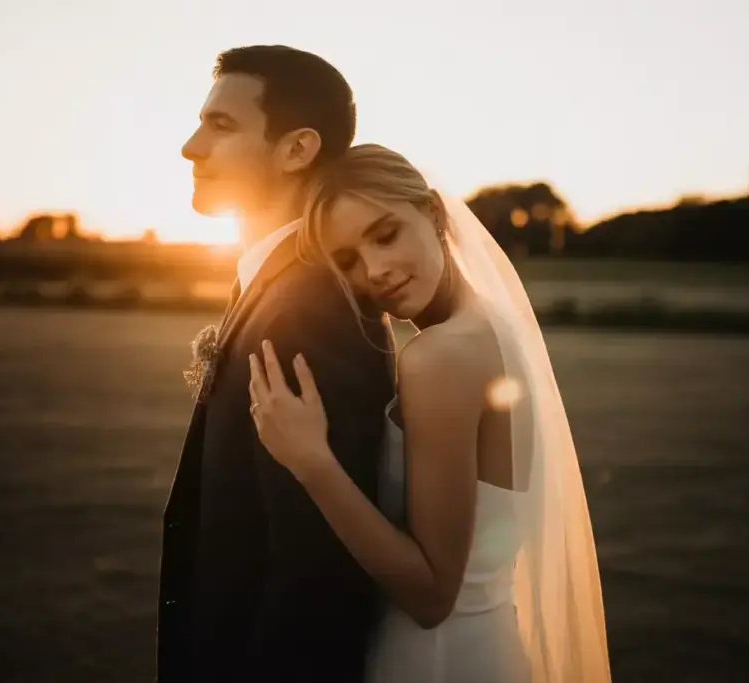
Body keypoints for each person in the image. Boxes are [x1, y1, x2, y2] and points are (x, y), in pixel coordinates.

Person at [248, 143, 612, 682]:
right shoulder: (492, 327)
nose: (375, 269)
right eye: (346, 260)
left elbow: (432, 593)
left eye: (386, 233)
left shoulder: (439, 356)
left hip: (436, 661)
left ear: (435, 215)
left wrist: (311, 462)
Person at [156, 47, 396, 682]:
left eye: (222, 126)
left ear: (296, 150)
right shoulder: (272, 284)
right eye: (200, 122)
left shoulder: (309, 310)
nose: (190, 146)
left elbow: (316, 572)